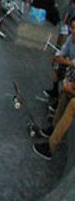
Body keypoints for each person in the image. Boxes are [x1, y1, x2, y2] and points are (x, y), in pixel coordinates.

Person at [35, 21, 75, 159]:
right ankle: (53, 127)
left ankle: (51, 146)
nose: (74, 31)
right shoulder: (70, 39)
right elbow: (61, 55)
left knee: (73, 104)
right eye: (73, 28)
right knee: (65, 93)